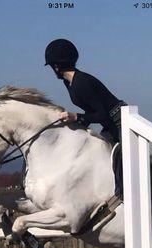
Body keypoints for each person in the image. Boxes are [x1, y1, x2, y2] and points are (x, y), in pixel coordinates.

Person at [44, 38, 127, 200]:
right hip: (111, 125)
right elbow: (91, 112)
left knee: (120, 159)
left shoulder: (80, 83)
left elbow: (102, 114)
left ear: (56, 66)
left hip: (120, 122)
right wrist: (73, 123)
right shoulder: (70, 83)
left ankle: (124, 196)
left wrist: (76, 117)